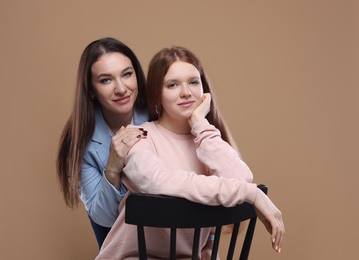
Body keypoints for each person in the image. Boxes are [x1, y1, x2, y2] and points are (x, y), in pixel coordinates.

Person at [96, 46, 285, 259]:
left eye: (193, 82)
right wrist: (251, 193)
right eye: (172, 85)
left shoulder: (207, 141)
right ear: (157, 93)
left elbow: (242, 178)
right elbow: (160, 183)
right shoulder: (139, 138)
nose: (186, 92)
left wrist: (200, 124)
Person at [56, 37, 149, 248]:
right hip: (123, 247)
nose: (121, 88)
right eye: (106, 80)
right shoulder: (81, 140)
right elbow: (102, 218)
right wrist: (113, 168)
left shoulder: (159, 112)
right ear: (91, 89)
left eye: (127, 74)